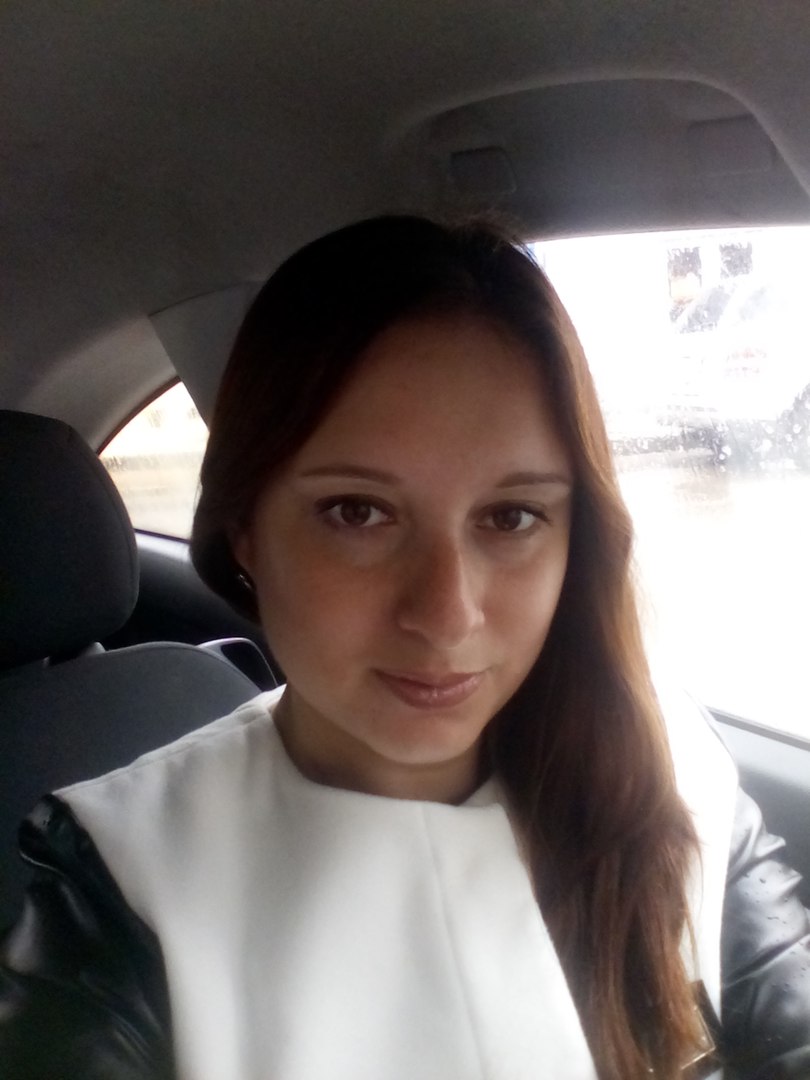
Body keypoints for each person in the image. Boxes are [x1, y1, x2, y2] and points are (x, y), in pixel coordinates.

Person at [1, 216, 809, 1080]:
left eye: (512, 517)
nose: (448, 615)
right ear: (245, 530)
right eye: (358, 513)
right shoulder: (123, 879)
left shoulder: (676, 782)